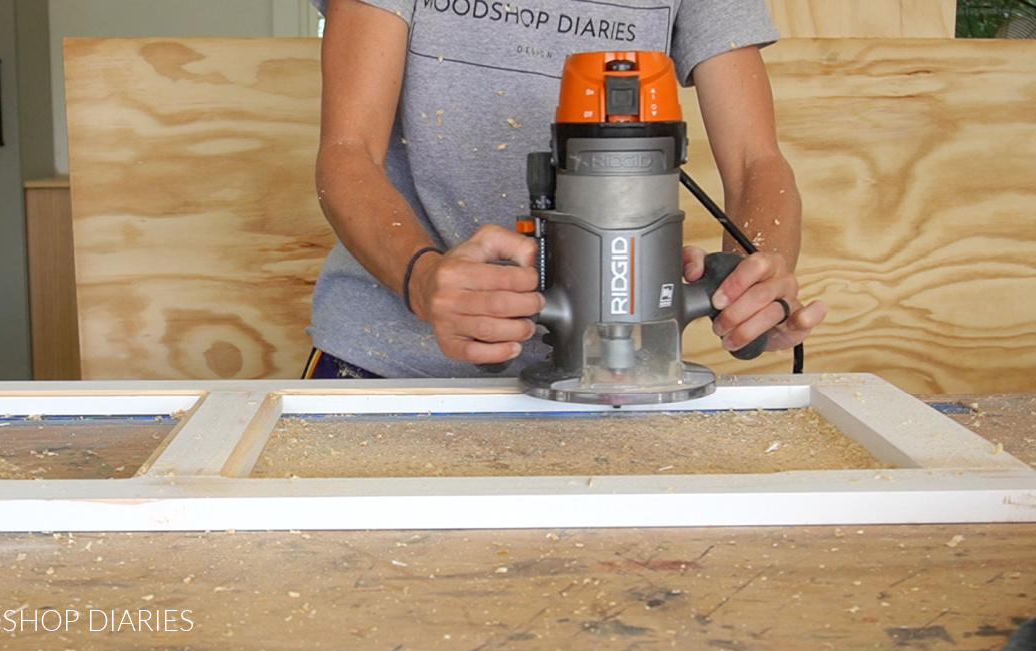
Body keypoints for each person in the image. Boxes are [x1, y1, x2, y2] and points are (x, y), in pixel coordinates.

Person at [302, 0, 828, 380]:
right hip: (390, 364)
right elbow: (349, 153)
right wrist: (423, 277)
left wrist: (753, 283)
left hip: (615, 379)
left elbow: (755, 161)